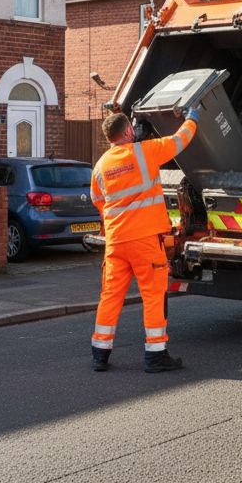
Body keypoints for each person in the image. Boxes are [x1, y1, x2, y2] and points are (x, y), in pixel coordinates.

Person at [90, 106, 198, 372]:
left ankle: (100, 354)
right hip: (145, 240)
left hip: (116, 242)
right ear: (128, 130)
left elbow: (98, 200)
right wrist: (192, 120)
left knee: (110, 295)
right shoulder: (144, 152)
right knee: (153, 295)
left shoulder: (100, 166)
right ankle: (156, 355)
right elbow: (179, 141)